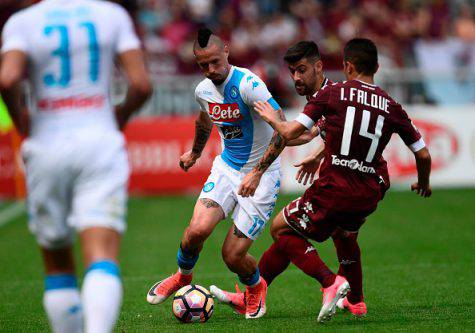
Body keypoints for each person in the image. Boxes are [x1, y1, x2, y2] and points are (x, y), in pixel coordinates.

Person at [248, 38, 432, 322]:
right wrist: (423, 183)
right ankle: (356, 301)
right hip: (371, 189)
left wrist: (272, 118)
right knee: (344, 236)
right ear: (377, 66)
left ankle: (330, 282)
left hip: (337, 185)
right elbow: (423, 155)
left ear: (346, 66)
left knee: (281, 229)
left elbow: (290, 132)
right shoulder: (392, 105)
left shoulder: (335, 93)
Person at [0, 1, 152, 332]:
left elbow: (8, 77)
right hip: (99, 140)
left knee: (57, 263)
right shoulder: (111, 15)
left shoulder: (23, 21)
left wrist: (21, 120)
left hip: (46, 142)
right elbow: (141, 85)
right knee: (101, 254)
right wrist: (120, 116)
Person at [146, 28, 286, 319]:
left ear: (226, 50)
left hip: (262, 174)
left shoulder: (249, 85)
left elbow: (282, 129)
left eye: (214, 62)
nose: (210, 70)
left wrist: (258, 173)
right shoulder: (203, 90)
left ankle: (256, 288)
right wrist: (195, 152)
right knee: (196, 231)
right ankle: (183, 278)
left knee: (232, 255)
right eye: (202, 65)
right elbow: (205, 117)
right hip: (227, 168)